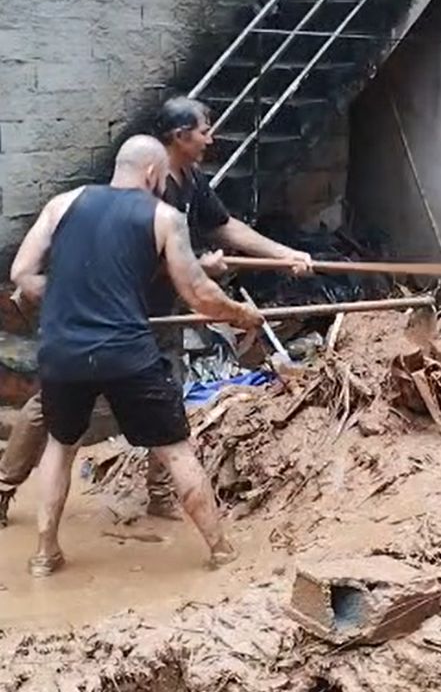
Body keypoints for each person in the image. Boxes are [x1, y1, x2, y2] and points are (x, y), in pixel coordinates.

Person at [0, 96, 313, 526]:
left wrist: (284, 254)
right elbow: (113, 257)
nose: (211, 138)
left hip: (157, 316)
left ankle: (161, 496)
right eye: (205, 130)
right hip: (108, 315)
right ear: (179, 137)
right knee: (46, 410)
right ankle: (4, 484)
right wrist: (195, 271)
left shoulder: (190, 180)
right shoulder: (136, 185)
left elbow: (224, 226)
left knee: (170, 397)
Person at [9, 135, 264, 576]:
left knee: (61, 446)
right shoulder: (164, 217)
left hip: (62, 350)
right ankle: (220, 550)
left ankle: (44, 554)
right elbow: (199, 294)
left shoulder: (62, 204)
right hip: (126, 351)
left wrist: (69, 296)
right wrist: (242, 314)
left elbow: (21, 274)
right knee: (175, 449)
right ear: (152, 173)